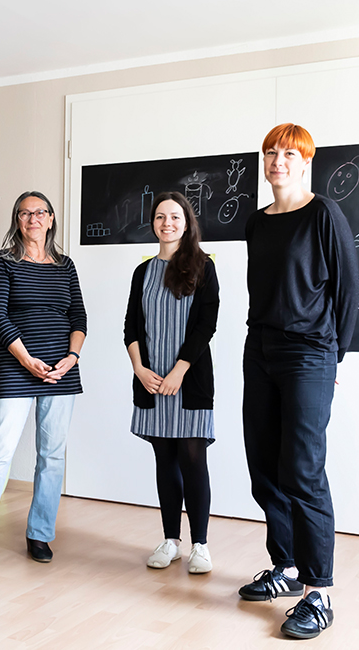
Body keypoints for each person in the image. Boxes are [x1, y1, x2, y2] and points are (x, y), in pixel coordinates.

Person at [238, 124, 359, 639]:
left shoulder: (324, 214)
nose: (278, 161)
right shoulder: (257, 223)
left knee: (303, 471)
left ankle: (318, 591)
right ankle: (285, 567)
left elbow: (348, 289)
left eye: (289, 153)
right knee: (265, 467)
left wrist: (335, 357)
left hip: (310, 355)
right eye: (271, 152)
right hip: (259, 350)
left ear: (306, 161)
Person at [0, 191, 87, 573]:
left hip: (61, 371)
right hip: (17, 367)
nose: (33, 218)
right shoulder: (5, 264)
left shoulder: (65, 265)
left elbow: (79, 315)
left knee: (52, 456)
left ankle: (40, 534)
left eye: (40, 212)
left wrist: (71, 358)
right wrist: (26, 359)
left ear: (51, 219)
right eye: (24, 213)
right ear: (17, 221)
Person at [124, 192, 219, 575]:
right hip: (151, 381)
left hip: (189, 380)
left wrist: (180, 370)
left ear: (187, 222)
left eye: (175, 216)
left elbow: (206, 325)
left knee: (193, 460)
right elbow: (131, 325)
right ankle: (170, 540)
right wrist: (139, 369)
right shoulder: (142, 272)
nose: (167, 223)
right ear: (153, 222)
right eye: (160, 216)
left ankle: (201, 545)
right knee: (165, 460)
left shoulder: (203, 265)